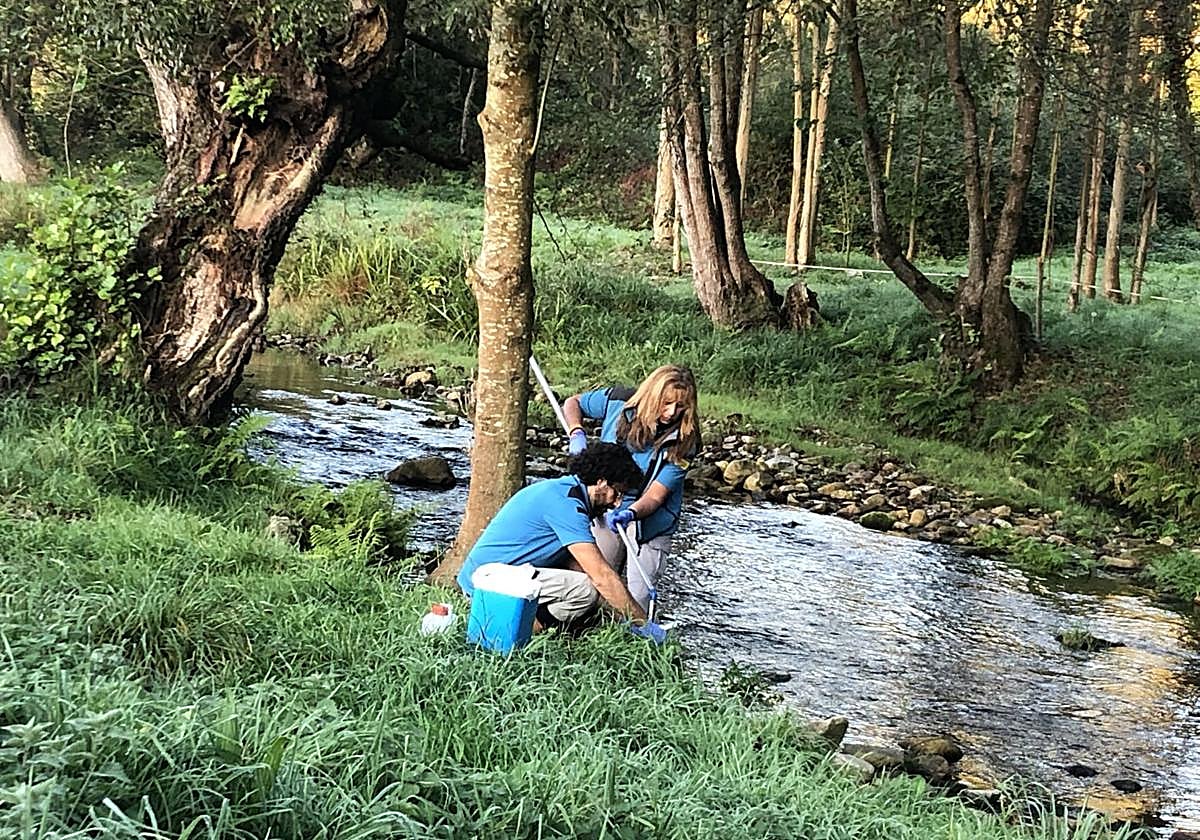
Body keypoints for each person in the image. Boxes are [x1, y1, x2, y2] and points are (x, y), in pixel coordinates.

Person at [457, 443, 649, 630]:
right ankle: (523, 629)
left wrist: (621, 617)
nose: (617, 504)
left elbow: (581, 567)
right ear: (601, 482)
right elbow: (600, 576)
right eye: (617, 494)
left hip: (490, 577)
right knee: (584, 590)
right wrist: (644, 624)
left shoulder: (564, 490)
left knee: (587, 589)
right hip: (484, 586)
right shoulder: (567, 506)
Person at [562, 364, 700, 610]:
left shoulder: (686, 440)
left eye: (680, 406)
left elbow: (656, 496)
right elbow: (573, 403)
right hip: (606, 509)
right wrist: (576, 432)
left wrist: (631, 514)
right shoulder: (618, 400)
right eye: (666, 403)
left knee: (638, 598)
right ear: (651, 395)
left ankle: (638, 631)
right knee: (594, 582)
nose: (671, 413)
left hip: (651, 522)